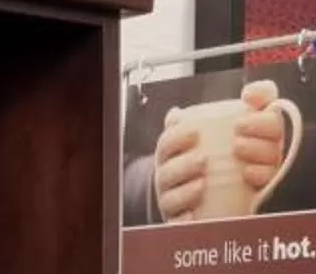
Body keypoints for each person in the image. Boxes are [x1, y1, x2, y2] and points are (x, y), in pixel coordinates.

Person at [121, 77, 294, 225]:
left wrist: (291, 151)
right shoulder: (151, 70)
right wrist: (156, 182)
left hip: (285, 245)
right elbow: (112, 173)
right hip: (182, 252)